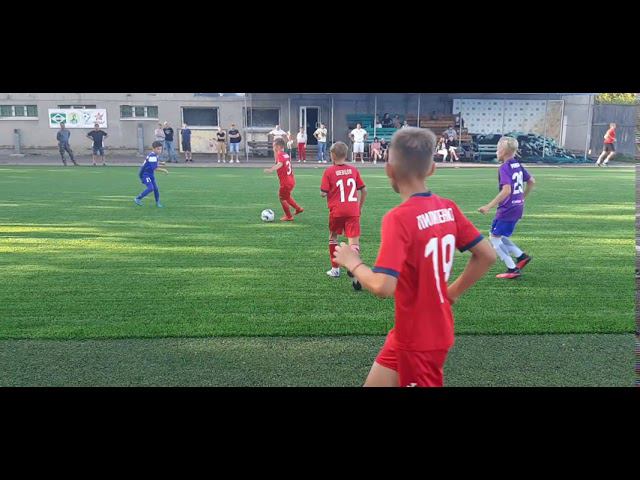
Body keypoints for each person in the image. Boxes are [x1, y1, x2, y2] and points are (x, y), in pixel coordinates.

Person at [333, 127, 496, 387]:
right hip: (411, 330)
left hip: (419, 340)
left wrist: (353, 262)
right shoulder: (448, 208)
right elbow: (487, 255)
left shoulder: (399, 218)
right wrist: (451, 293)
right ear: (432, 168)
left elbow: (383, 287)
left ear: (389, 170)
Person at [478, 136, 535, 279]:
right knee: (498, 235)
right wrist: (522, 197)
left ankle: (512, 268)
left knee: (494, 238)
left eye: (498, 148)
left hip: (507, 208)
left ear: (503, 151)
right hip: (517, 206)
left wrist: (489, 206)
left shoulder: (504, 167)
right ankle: (521, 256)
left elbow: (507, 190)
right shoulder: (517, 164)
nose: (496, 151)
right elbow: (531, 181)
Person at [321, 142, 367, 291]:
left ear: (332, 155)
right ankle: (354, 267)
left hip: (337, 211)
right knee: (354, 242)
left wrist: (326, 192)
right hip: (353, 210)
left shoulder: (329, 171)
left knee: (333, 237)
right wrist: (359, 207)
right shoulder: (353, 170)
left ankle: (335, 270)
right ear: (346, 154)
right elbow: (364, 190)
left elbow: (323, 193)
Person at [263, 138, 304, 221]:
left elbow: (279, 164)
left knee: (282, 198)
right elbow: (277, 161)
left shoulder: (280, 155)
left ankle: (289, 216)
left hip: (285, 182)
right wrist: (275, 152)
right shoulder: (285, 154)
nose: (273, 147)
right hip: (291, 180)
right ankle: (298, 209)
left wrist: (271, 169)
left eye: (274, 146)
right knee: (287, 197)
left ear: (278, 146)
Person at [134, 141, 169, 208]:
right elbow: (155, 168)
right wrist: (164, 170)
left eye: (161, 149)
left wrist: (161, 163)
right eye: (158, 149)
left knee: (156, 189)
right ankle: (138, 198)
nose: (160, 151)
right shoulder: (152, 156)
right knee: (151, 188)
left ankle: (158, 203)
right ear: (153, 149)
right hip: (145, 174)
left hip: (150, 174)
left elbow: (154, 162)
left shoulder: (154, 155)